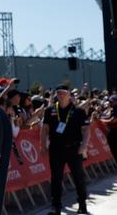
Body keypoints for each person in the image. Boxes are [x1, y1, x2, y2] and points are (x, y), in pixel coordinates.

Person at [41, 84, 90, 215]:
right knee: (56, 178)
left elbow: (85, 130)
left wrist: (84, 146)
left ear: (69, 95)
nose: (61, 95)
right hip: (56, 148)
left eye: (63, 93)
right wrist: (43, 146)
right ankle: (55, 206)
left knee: (78, 177)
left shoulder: (78, 111)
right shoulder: (50, 110)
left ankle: (82, 205)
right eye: (59, 93)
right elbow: (44, 129)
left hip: (74, 149)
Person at [101, 94, 117, 168]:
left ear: (115, 101)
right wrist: (103, 117)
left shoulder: (116, 108)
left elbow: (114, 120)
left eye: (111, 101)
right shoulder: (114, 108)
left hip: (116, 130)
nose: (110, 103)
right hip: (116, 130)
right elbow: (110, 117)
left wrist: (102, 121)